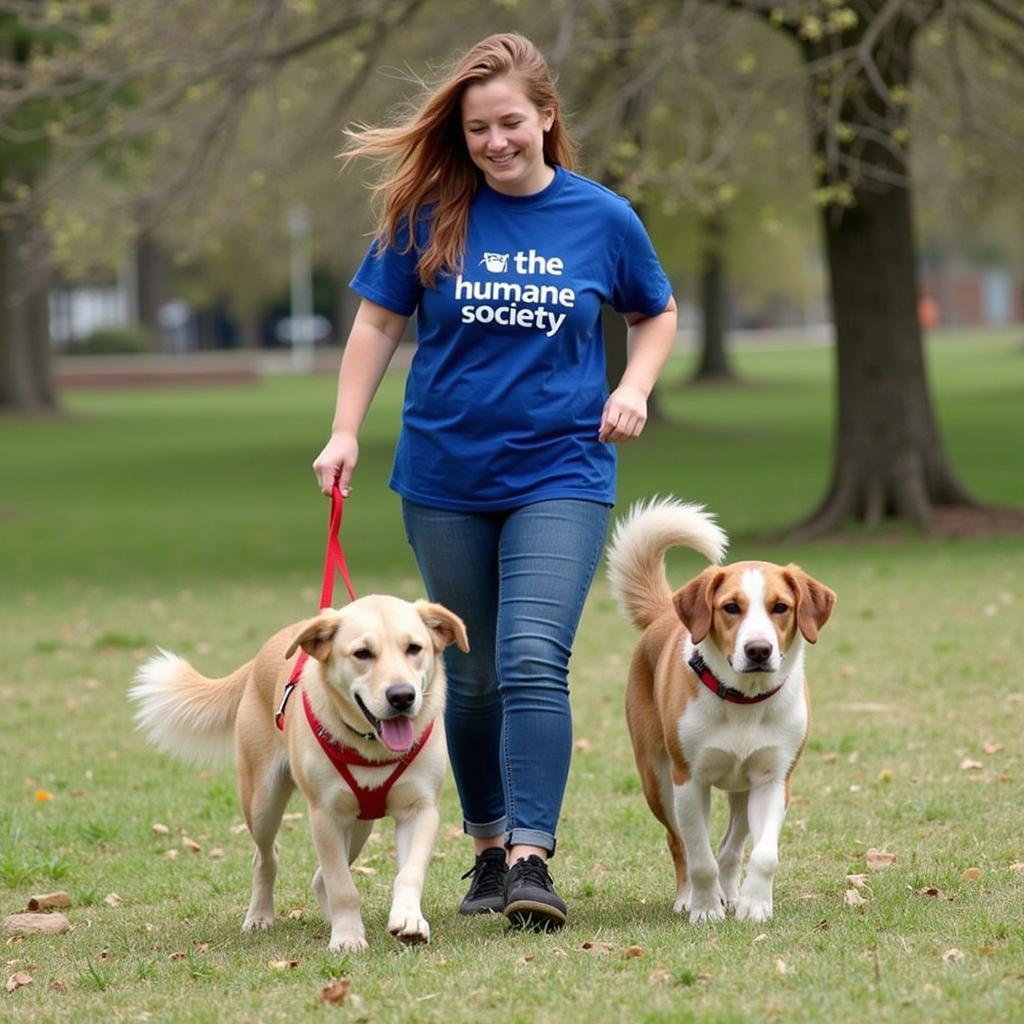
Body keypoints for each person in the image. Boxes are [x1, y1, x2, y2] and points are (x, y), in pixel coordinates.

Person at [313, 32, 677, 931]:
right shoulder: (429, 213)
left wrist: (632, 386)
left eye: (511, 122)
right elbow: (375, 326)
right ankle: (483, 850)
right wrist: (345, 430)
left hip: (562, 470)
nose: (495, 141)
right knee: (466, 677)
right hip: (444, 473)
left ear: (547, 118)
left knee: (528, 657)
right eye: (479, 128)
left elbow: (656, 311)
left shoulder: (602, 217)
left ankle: (530, 858)